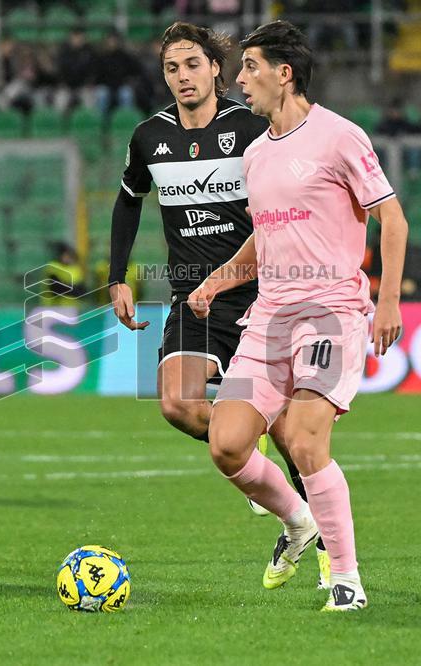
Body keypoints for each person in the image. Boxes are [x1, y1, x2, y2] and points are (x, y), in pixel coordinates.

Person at [187, 20, 407, 612]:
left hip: (331, 313)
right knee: (227, 444)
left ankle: (347, 580)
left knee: (308, 442)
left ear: (285, 74)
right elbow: (264, 240)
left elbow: (393, 218)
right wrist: (219, 279)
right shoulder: (256, 155)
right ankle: (297, 520)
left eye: (250, 68)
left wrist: (387, 300)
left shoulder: (340, 136)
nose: (240, 81)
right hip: (270, 316)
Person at [108, 22, 332, 582]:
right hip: (192, 294)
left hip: (258, 293)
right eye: (171, 68)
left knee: (287, 434)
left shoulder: (250, 127)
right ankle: (280, 499)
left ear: (215, 69)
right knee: (177, 404)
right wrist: (117, 276)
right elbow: (128, 201)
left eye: (191, 65)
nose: (182, 77)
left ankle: (327, 543)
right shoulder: (148, 138)